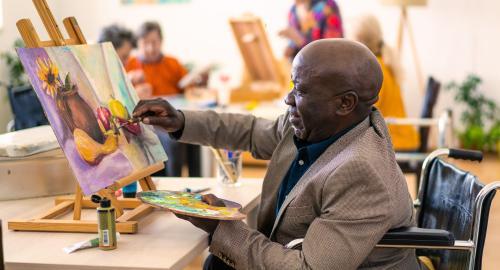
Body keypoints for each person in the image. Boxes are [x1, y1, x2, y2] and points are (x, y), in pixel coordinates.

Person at [133, 39, 419, 269]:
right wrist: (181, 121)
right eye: (292, 84)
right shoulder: (318, 124)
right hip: (291, 252)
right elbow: (250, 131)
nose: (288, 99)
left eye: (301, 90)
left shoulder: (362, 172)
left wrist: (221, 225)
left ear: (345, 103)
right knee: (218, 262)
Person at [127, 21, 201, 177]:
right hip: (150, 122)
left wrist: (195, 82)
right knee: (173, 138)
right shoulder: (131, 65)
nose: (150, 48)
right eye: (145, 43)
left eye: (154, 42)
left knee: (195, 133)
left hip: (175, 114)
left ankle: (198, 183)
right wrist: (134, 87)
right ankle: (174, 189)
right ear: (138, 44)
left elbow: (187, 88)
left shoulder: (172, 63)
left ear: (161, 42)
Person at [349, 14, 420, 151]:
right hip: (403, 136)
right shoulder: (384, 62)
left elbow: (367, 110)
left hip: (394, 139)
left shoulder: (374, 69)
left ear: (359, 42)